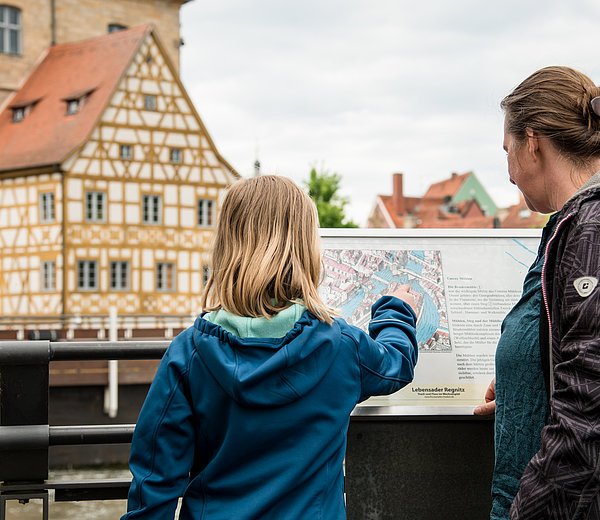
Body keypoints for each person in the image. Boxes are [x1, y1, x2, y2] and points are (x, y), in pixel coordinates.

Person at [121, 175, 419, 520]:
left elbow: (154, 484)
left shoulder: (189, 355)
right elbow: (395, 365)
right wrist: (397, 308)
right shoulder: (341, 346)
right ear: (307, 248)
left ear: (226, 247)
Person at [474, 66, 600, 519]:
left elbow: (589, 412)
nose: (508, 174)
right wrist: (523, 376)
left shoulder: (591, 230)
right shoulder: (568, 225)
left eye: (507, 150)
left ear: (533, 142)